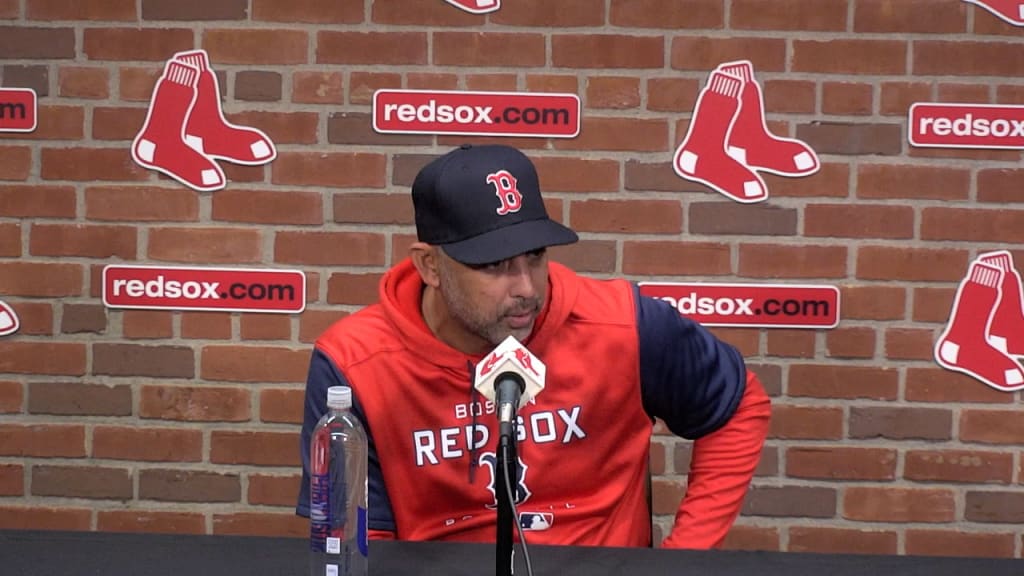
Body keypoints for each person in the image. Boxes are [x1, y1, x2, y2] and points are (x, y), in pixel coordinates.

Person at [296, 143, 771, 548]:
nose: (526, 287)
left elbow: (738, 407)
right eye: (495, 265)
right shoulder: (353, 363)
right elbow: (358, 544)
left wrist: (686, 558)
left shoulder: (621, 322)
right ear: (431, 267)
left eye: (536, 256)